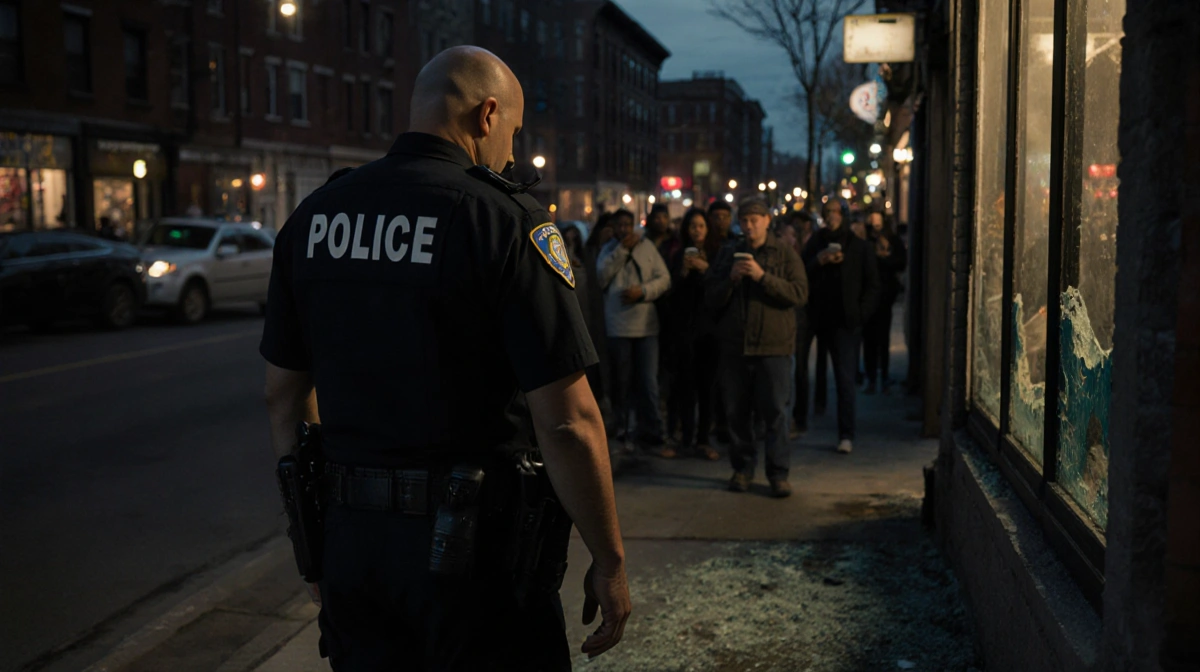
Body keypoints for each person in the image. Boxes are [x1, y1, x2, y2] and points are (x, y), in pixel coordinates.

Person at [260, 46, 630, 670]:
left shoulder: (313, 218)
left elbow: (283, 396)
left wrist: (314, 544)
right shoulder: (505, 221)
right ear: (487, 115)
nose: (512, 155)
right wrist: (610, 559)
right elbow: (567, 422)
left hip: (354, 549)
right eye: (512, 133)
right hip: (475, 560)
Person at [706, 199, 807, 498]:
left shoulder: (784, 253)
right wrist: (731, 280)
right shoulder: (728, 254)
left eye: (755, 220)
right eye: (744, 220)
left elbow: (799, 294)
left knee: (775, 413)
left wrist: (763, 277)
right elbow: (710, 296)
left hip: (773, 346)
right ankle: (742, 469)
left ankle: (778, 473)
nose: (749, 226)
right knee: (737, 412)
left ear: (767, 220)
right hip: (736, 346)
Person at [802, 198, 881, 455]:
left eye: (836, 212)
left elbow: (872, 285)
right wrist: (820, 261)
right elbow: (801, 271)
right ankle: (803, 416)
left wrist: (860, 314)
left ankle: (846, 433)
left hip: (845, 321)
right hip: (817, 316)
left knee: (845, 379)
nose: (832, 216)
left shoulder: (859, 247)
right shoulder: (816, 242)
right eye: (828, 212)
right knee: (805, 368)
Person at [596, 208, 672, 454]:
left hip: (646, 327)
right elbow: (601, 277)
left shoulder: (647, 247)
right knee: (622, 382)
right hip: (618, 327)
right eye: (619, 225)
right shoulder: (609, 250)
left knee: (648, 382)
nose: (624, 230)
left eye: (628, 225)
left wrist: (644, 291)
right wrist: (622, 251)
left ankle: (652, 433)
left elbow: (664, 279)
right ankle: (622, 430)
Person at [664, 207, 721, 461]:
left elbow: (721, 288)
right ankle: (685, 437)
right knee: (685, 387)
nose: (697, 230)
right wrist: (683, 272)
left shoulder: (718, 254)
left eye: (701, 226)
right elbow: (672, 293)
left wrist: (705, 268)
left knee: (706, 388)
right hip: (685, 330)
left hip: (709, 331)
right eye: (692, 226)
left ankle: (703, 439)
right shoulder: (678, 256)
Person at [775, 212, 818, 437]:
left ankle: (798, 418)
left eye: (794, 234)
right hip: (782, 316)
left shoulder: (802, 253)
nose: (790, 239)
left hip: (801, 316)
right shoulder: (776, 255)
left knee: (799, 368)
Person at [863, 210, 908, 393]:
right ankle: (871, 377)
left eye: (878, 224)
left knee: (882, 338)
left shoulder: (892, 241)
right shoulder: (866, 243)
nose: (875, 228)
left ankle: (883, 376)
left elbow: (900, 263)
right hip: (869, 296)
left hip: (885, 295)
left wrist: (885, 258)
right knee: (869, 339)